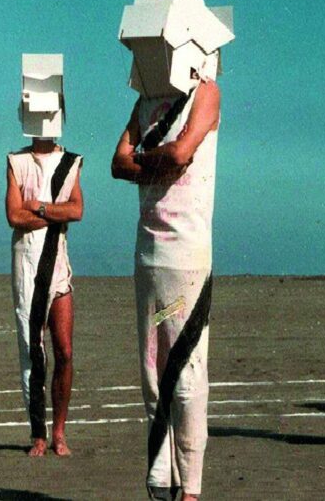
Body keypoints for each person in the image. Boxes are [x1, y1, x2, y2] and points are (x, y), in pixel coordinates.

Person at [112, 75, 220, 501]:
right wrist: (160, 161)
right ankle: (162, 480)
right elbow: (117, 163)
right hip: (148, 259)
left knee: (186, 371)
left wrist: (144, 160)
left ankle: (191, 489)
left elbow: (181, 151)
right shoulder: (145, 100)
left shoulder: (205, 92)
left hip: (185, 260)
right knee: (153, 369)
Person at [6, 135, 83, 457]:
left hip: (58, 260)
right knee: (33, 349)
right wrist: (56, 213)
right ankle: (39, 433)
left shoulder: (70, 161)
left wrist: (37, 206)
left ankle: (59, 433)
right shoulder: (17, 161)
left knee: (64, 350)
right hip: (27, 261)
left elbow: (76, 210)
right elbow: (14, 216)